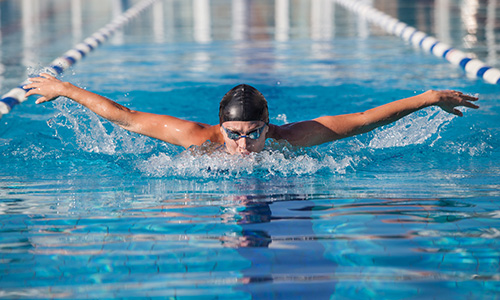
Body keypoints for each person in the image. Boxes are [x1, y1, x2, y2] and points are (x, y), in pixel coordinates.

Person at [24, 73, 479, 155]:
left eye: (253, 133)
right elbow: (124, 117)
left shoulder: (292, 138)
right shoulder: (197, 138)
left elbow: (363, 120)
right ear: (220, 126)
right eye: (235, 134)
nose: (244, 144)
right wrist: (64, 89)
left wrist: (428, 97)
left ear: (269, 124)